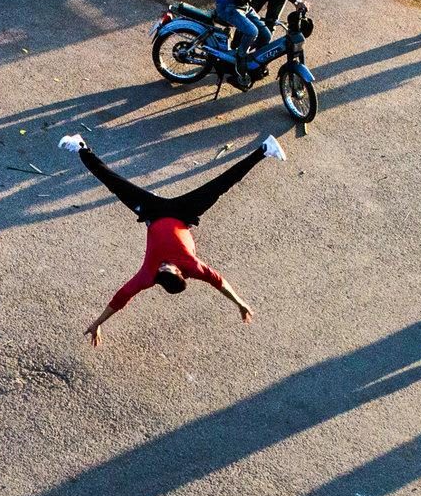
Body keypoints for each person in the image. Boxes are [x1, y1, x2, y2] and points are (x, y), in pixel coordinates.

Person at [67, 133, 283, 347]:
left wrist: (98, 323)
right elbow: (220, 283)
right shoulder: (194, 267)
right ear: (181, 272)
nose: (163, 264)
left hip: (152, 213)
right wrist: (240, 303)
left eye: (161, 269)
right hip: (183, 213)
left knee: (114, 183)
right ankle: (265, 149)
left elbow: (120, 299)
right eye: (168, 267)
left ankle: (80, 147)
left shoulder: (147, 276)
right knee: (222, 184)